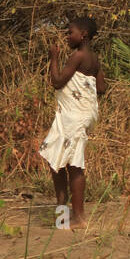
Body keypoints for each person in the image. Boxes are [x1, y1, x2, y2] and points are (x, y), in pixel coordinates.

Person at [39, 17, 107, 229]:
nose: (68, 36)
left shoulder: (77, 56)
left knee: (74, 165)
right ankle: (63, 215)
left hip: (74, 116)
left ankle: (77, 217)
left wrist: (54, 58)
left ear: (83, 35)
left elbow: (57, 81)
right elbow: (101, 88)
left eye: (70, 32)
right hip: (79, 114)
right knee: (56, 161)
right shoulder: (94, 59)